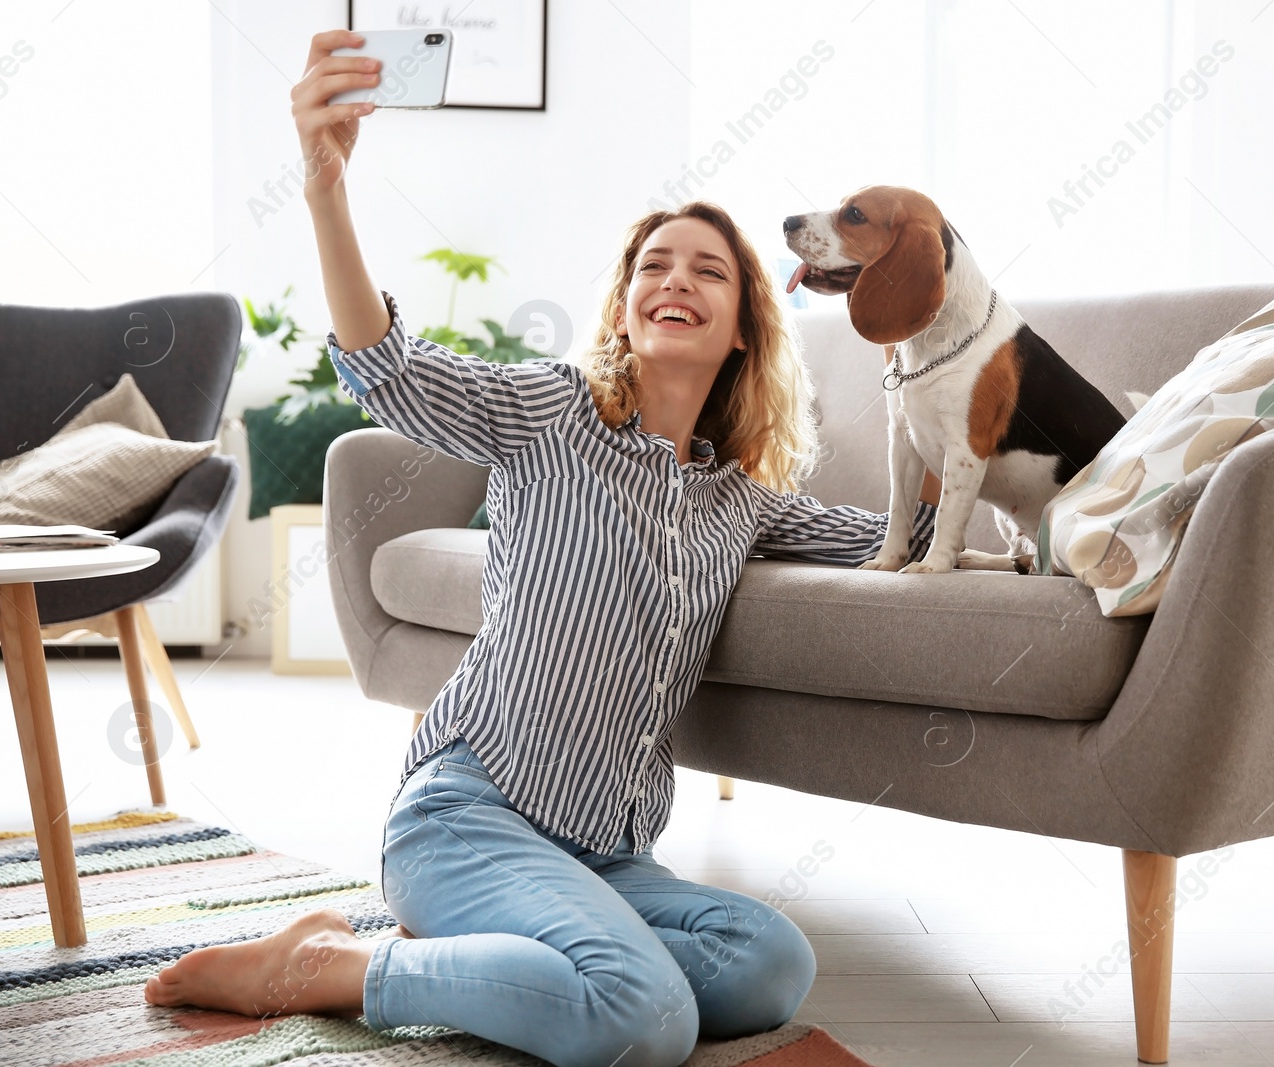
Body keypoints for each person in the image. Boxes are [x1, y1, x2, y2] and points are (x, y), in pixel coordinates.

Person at [143, 28, 944, 1067]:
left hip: (609, 850)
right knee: (644, 1016)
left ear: (744, 324)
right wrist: (325, 187)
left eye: (709, 269)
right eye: (654, 263)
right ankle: (329, 966)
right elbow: (387, 368)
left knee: (766, 963)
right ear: (625, 304)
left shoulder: (742, 497)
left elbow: (906, 535)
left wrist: (949, 382)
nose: (677, 277)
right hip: (468, 814)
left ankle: (498, 953)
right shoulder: (552, 411)